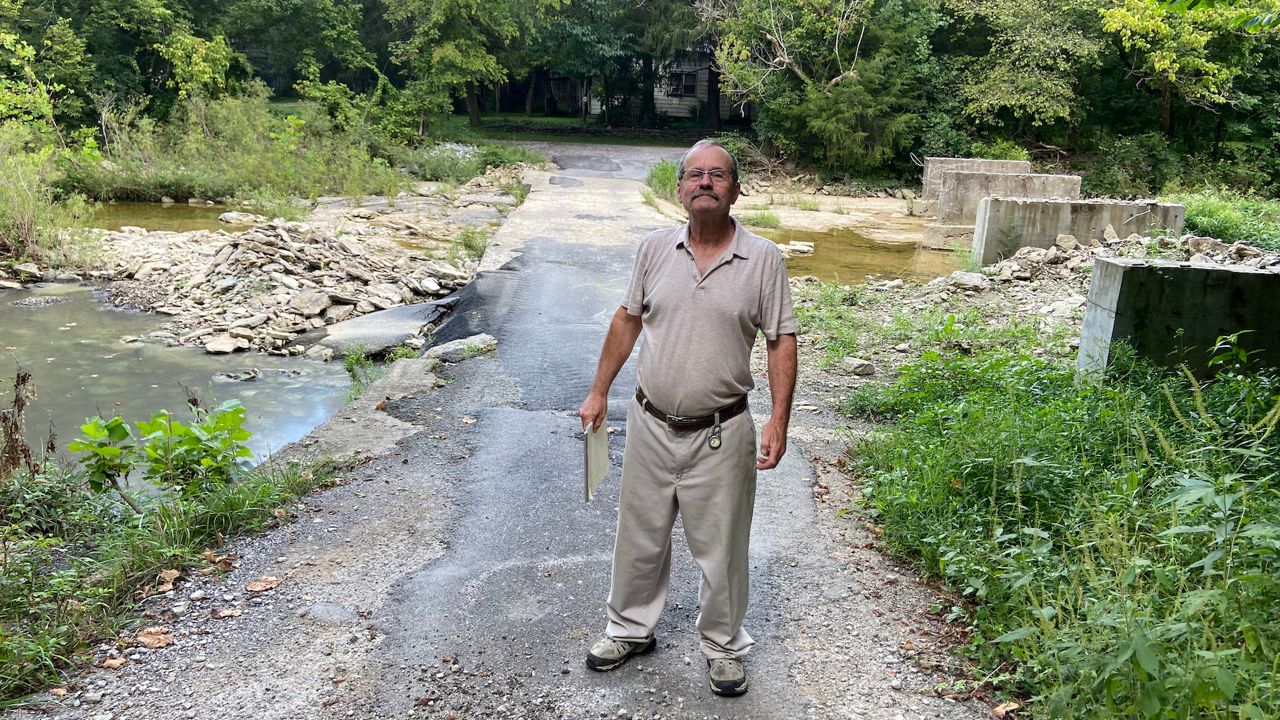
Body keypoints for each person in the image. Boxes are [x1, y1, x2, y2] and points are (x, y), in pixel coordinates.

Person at [577, 138, 798, 697]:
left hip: (723, 431)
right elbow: (627, 321)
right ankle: (629, 630)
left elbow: (780, 341)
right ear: (679, 189)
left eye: (718, 175)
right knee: (640, 535)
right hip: (650, 422)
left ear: (736, 190)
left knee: (722, 545)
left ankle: (723, 646)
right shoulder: (653, 249)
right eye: (695, 174)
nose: (706, 182)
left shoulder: (764, 259)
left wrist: (779, 420)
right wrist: (599, 392)